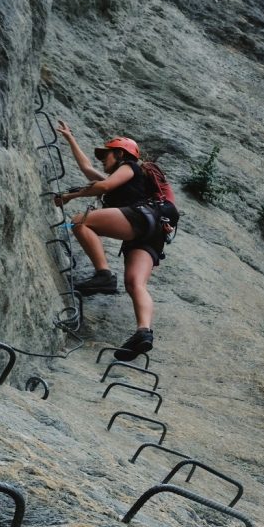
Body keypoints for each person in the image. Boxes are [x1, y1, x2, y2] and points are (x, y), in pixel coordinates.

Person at [54, 122, 177, 361]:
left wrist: (70, 196)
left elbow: (104, 185)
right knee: (135, 284)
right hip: (153, 234)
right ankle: (143, 332)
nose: (102, 160)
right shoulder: (127, 180)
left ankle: (104, 275)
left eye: (106, 154)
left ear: (120, 154)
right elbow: (89, 170)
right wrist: (71, 139)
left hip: (142, 217)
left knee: (80, 221)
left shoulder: (130, 167)